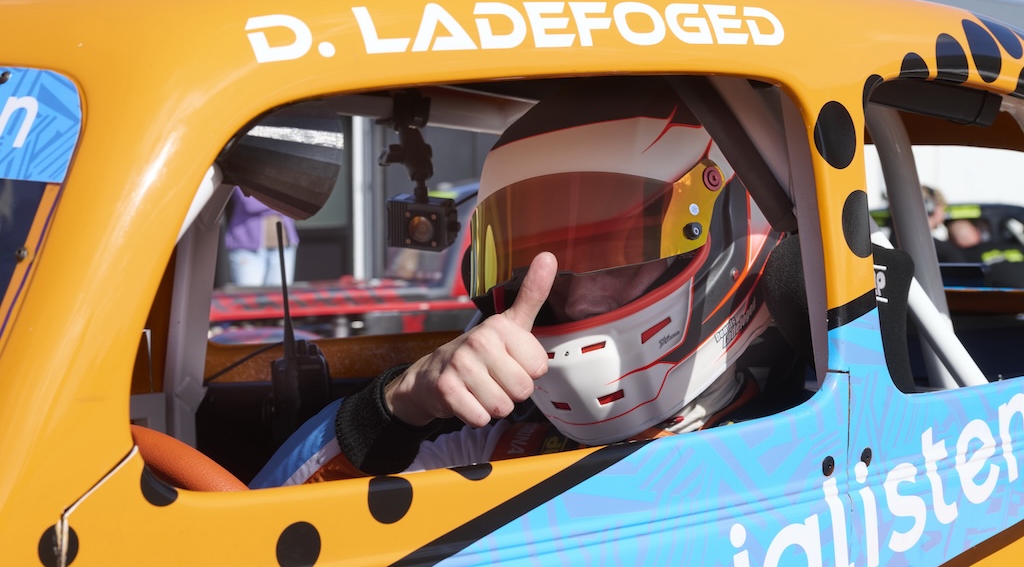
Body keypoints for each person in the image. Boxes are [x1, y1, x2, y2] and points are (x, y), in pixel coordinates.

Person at [250, 77, 800, 487]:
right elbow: (271, 524)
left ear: (732, 241)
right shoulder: (504, 448)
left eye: (618, 258)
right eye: (535, 269)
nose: (575, 301)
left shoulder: (815, 454)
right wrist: (401, 402)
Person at [223, 187, 300, 286]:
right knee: (250, 295)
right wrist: (283, 202)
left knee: (278, 295)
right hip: (247, 250)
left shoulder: (286, 178)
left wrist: (284, 201)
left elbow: (296, 202)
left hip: (283, 248)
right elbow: (250, 203)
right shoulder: (242, 176)